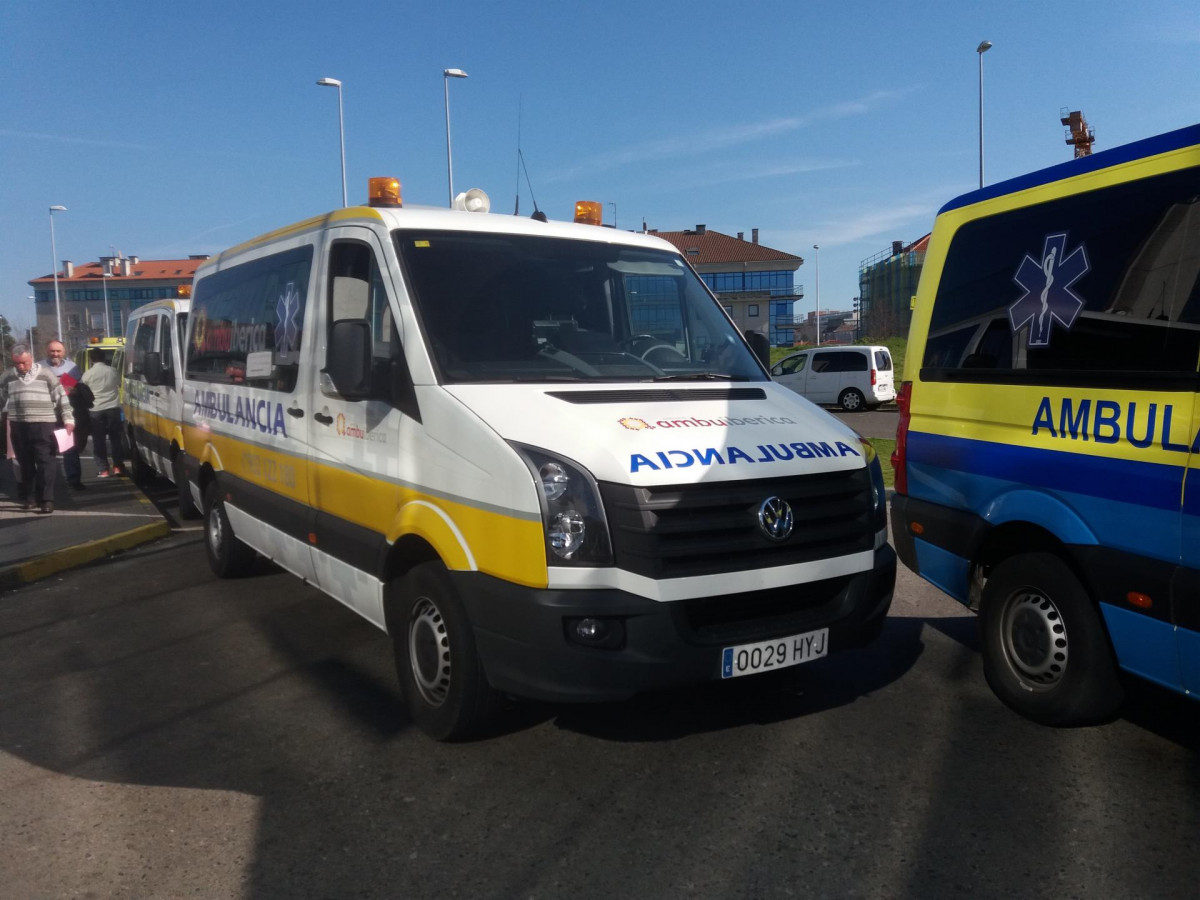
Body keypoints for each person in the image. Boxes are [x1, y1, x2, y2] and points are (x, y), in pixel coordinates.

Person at [0, 344, 74, 513]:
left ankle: (46, 499)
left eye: (24, 363)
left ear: (31, 358)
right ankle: (29, 498)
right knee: (24, 464)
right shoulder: (7, 377)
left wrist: (68, 419)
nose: (20, 366)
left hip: (43, 425)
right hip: (18, 426)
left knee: (46, 463)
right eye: (17, 363)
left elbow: (61, 397)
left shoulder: (46, 374)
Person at [41, 339, 88, 490]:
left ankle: (74, 481)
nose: (55, 354)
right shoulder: (39, 367)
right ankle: (47, 484)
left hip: (65, 414)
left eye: (58, 351)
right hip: (45, 415)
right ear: (47, 351)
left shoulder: (72, 367)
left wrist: (68, 388)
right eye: (52, 351)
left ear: (64, 352)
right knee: (46, 451)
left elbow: (77, 388)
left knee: (69, 449)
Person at [80, 347, 125, 478]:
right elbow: (119, 384)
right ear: (104, 358)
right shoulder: (113, 371)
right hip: (113, 408)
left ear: (91, 359)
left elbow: (83, 390)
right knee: (116, 439)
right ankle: (118, 467)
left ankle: (103, 469)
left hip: (95, 410)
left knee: (98, 440)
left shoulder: (87, 374)